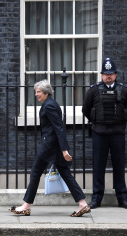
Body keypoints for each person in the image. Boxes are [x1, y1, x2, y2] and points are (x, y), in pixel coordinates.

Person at [9, 79, 90, 217]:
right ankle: (82, 203)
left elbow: (59, 128)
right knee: (65, 173)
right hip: (54, 145)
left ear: (46, 92)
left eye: (38, 92)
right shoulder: (50, 104)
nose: (36, 94)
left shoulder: (49, 106)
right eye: (35, 92)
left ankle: (26, 206)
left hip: (50, 145)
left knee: (35, 172)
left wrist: (64, 150)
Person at [82, 58, 127, 209]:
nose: (108, 76)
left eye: (111, 73)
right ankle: (96, 199)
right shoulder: (94, 90)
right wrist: (95, 121)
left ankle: (122, 198)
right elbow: (85, 109)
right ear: (101, 74)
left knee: (119, 165)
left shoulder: (123, 90)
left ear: (115, 74)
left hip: (117, 133)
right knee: (98, 166)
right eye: (106, 73)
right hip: (99, 133)